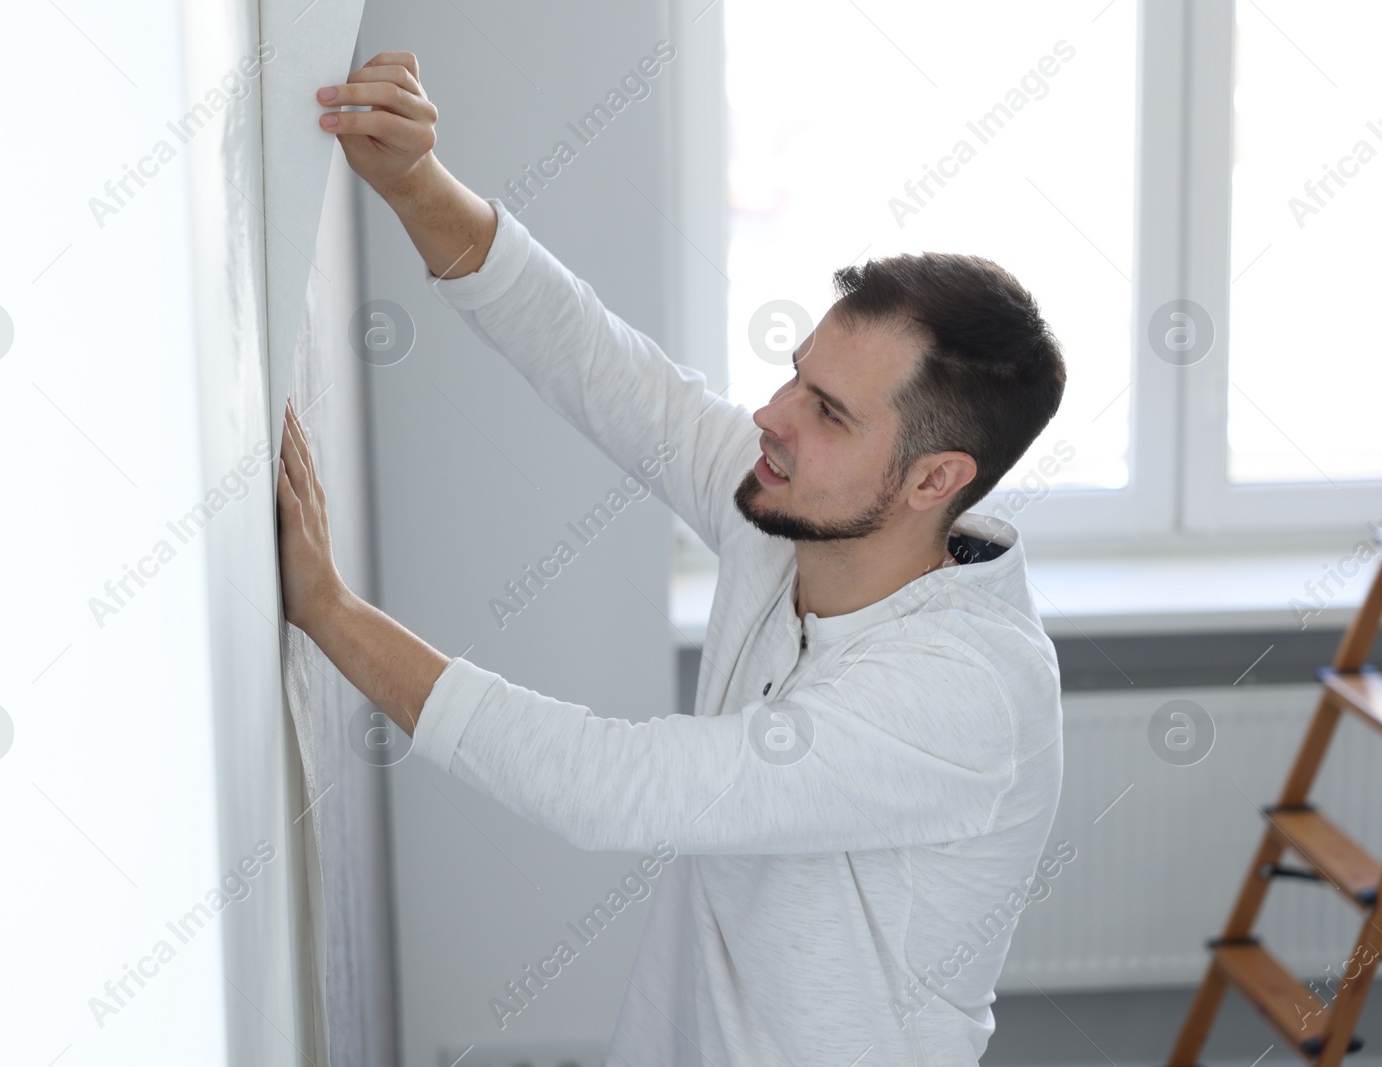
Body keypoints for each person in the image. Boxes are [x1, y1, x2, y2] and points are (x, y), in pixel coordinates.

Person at [276, 50, 1067, 1067]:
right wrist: (413, 180)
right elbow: (600, 364)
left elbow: (610, 785)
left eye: (827, 412)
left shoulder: (961, 693)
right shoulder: (788, 510)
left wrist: (330, 610)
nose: (773, 418)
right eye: (796, 378)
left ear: (932, 479)